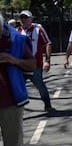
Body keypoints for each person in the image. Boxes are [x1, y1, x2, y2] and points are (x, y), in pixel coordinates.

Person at [0, 13, 36, 146]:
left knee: (13, 142)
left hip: (10, 103)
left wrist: (12, 59)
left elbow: (32, 65)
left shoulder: (16, 39)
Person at [17, 10, 55, 112]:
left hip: (35, 65)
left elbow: (48, 43)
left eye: (26, 18)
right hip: (21, 66)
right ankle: (18, 109)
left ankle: (48, 105)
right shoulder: (17, 31)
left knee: (40, 86)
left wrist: (47, 60)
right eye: (21, 18)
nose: (23, 20)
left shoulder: (38, 29)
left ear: (31, 19)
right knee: (17, 87)